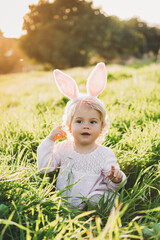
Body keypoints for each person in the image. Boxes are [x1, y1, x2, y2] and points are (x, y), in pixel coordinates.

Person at [37, 63, 126, 209]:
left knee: (98, 199)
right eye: (79, 121)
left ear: (102, 127)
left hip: (95, 200)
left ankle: (106, 213)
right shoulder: (62, 148)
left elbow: (114, 186)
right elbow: (44, 167)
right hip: (67, 204)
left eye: (93, 122)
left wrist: (116, 178)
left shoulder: (105, 154)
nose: (86, 126)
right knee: (65, 209)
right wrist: (49, 140)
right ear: (68, 126)